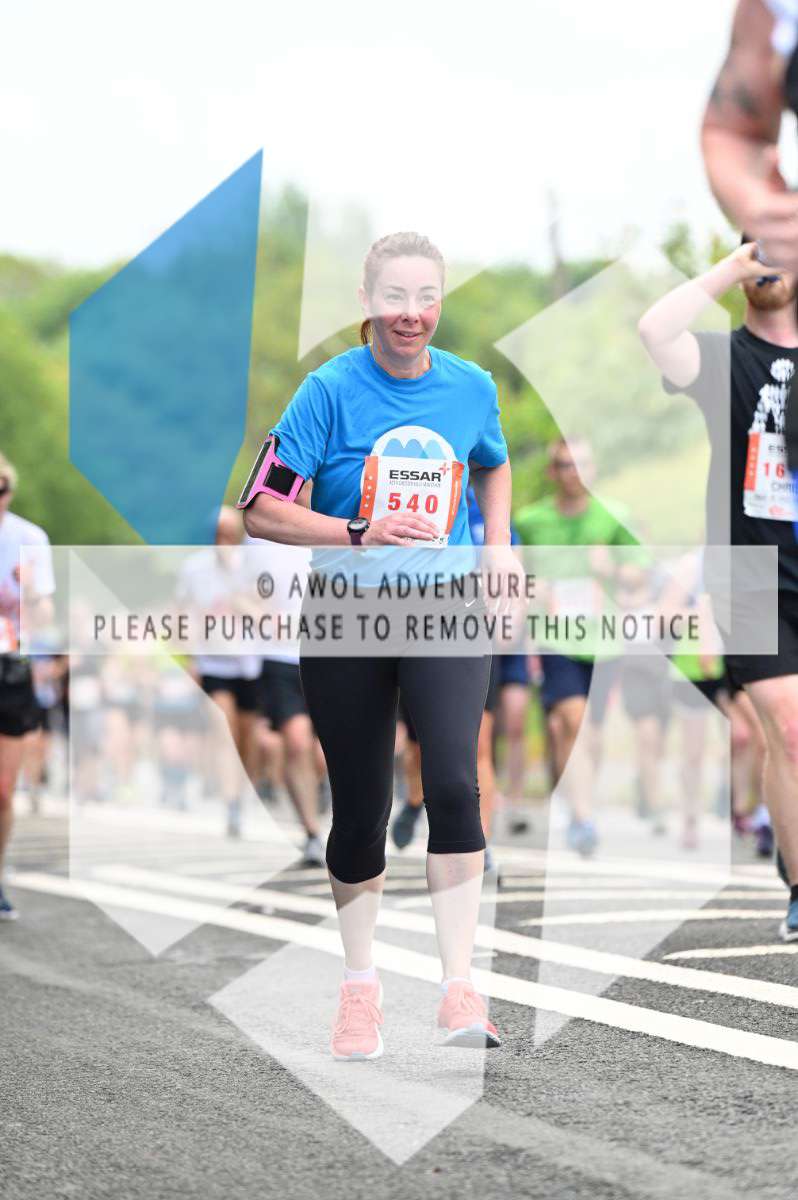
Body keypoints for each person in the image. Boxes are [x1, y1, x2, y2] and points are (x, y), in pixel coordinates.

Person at [240, 231, 511, 1057]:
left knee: (454, 784)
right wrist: (357, 530)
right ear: (367, 302)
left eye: (426, 297)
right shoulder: (326, 392)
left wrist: (497, 546)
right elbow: (260, 509)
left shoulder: (471, 387)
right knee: (361, 811)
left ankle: (459, 987)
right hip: (347, 612)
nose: (411, 314)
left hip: (446, 604)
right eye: (395, 297)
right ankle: (360, 988)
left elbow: (493, 462)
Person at [638, 238, 798, 940]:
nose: (770, 262)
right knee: (788, 729)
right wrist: (734, 265)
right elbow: (654, 328)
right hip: (749, 575)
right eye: (758, 250)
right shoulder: (722, 358)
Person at [514, 437, 637, 856]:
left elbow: (640, 574)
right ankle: (583, 817)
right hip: (554, 637)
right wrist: (531, 587)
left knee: (589, 733)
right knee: (571, 719)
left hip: (604, 640)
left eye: (582, 464)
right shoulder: (531, 521)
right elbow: (514, 572)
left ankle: (576, 798)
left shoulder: (615, 516)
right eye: (566, 464)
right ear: (553, 471)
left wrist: (613, 568)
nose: (575, 473)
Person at [178, 508, 263, 837]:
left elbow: (264, 610)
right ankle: (231, 802)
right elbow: (184, 613)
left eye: (230, 533)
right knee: (224, 729)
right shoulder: (194, 568)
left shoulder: (251, 564)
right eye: (219, 533)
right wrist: (190, 658)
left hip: (249, 661)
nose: (224, 539)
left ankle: (243, 789)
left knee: (246, 736)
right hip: (213, 662)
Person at [0, 453, 55, 920]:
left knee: (2, 790)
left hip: (10, 667)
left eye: (0, 488)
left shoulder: (29, 538)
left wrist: (32, 589)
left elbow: (46, 617)